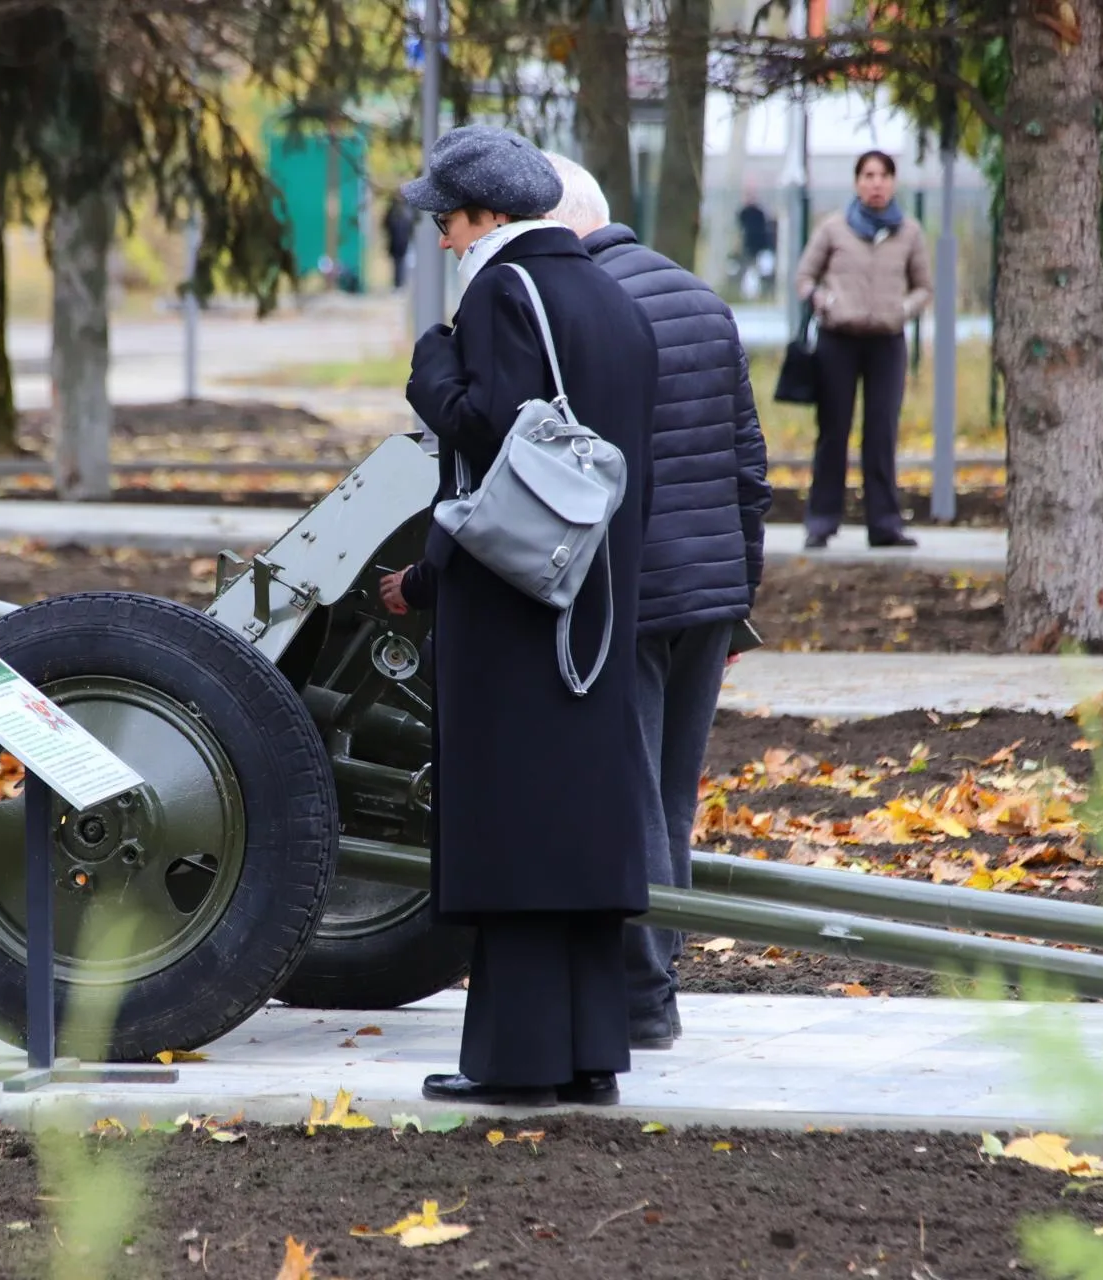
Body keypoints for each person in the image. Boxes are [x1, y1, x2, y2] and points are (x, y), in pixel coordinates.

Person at [378, 124, 656, 1108]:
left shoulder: (505, 292)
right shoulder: (609, 296)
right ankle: (589, 1055)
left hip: (517, 610)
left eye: (448, 220)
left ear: (490, 215)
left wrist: (431, 376)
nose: (445, 239)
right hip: (596, 601)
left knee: (516, 829)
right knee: (575, 829)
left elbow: (496, 445)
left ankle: (515, 1060)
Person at [543, 153, 772, 1051]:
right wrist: (738, 592)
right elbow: (749, 466)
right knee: (671, 798)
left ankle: (643, 1000)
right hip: (708, 594)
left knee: (629, 796)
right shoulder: (703, 300)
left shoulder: (580, 311)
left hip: (628, 592)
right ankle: (656, 984)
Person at [793, 149, 933, 550]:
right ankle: (821, 522)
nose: (876, 183)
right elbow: (804, 277)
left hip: (887, 344)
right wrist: (824, 302)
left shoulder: (909, 232)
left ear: (893, 182)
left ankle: (885, 524)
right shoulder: (833, 229)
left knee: (881, 433)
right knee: (833, 431)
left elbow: (924, 287)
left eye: (884, 175)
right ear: (857, 181)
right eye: (869, 175)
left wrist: (903, 310)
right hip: (838, 342)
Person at [382, 194, 414, 289]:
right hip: (399, 241)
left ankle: (399, 283)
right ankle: (399, 283)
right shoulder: (404, 211)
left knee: (400, 262)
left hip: (400, 241)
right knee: (399, 262)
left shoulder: (399, 211)